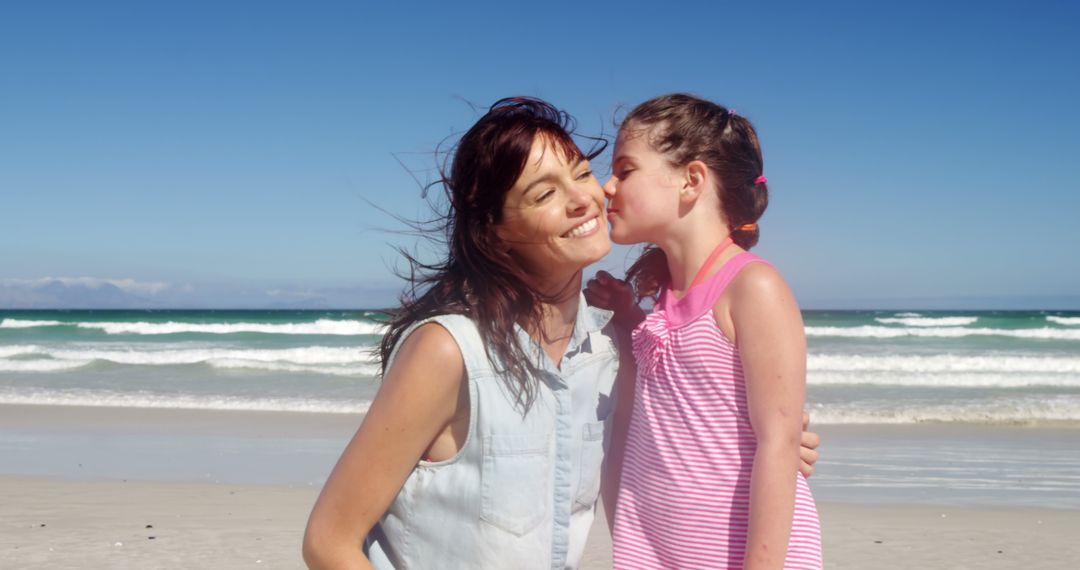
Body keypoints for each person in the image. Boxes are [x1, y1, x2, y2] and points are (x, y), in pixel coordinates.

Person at [302, 97, 820, 569]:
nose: (590, 196)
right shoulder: (450, 350)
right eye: (545, 192)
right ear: (497, 230)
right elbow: (329, 540)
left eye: (584, 173)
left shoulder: (612, 351)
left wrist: (773, 444)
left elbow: (696, 418)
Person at [589, 93, 823, 569]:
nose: (606, 187)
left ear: (691, 180)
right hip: (661, 550)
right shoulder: (663, 298)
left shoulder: (752, 287)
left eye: (625, 169)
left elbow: (778, 443)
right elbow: (674, 389)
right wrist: (628, 315)